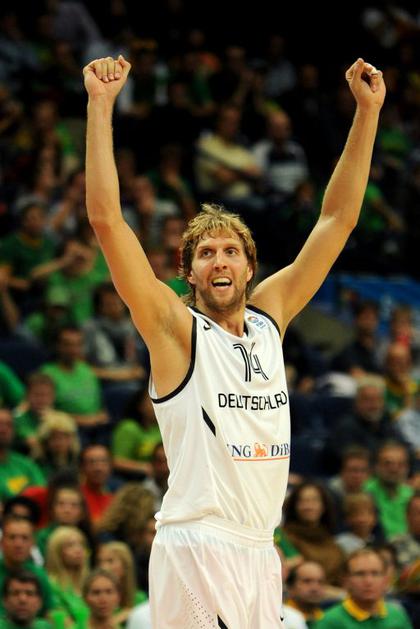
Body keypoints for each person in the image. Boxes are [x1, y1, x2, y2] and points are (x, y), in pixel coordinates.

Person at [83, 53, 386, 628]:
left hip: (259, 550)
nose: (218, 260)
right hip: (199, 544)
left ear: (250, 268)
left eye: (230, 251)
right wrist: (100, 107)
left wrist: (367, 113)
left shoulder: (271, 319)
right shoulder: (175, 331)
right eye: (205, 253)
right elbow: (106, 220)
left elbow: (337, 220)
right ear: (188, 273)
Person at [315, 548, 413, 628]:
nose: (368, 581)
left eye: (375, 573)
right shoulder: (330, 622)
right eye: (360, 574)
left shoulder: (397, 616)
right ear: (345, 581)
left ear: (385, 580)